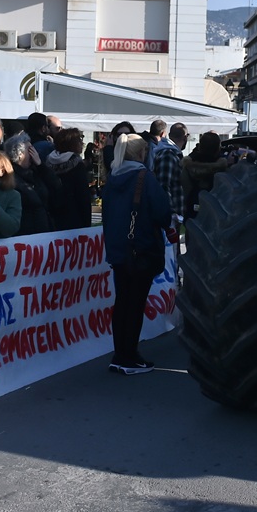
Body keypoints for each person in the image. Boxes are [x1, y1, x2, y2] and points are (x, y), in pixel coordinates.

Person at [100, 133, 171, 375]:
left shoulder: (113, 178)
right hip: (141, 249)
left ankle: (120, 353)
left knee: (122, 303)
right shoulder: (144, 177)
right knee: (135, 305)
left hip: (119, 251)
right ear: (142, 153)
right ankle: (129, 356)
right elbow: (163, 213)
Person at [2, 131, 57, 235]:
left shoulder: (34, 172)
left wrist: (41, 165)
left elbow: (55, 185)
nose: (34, 153)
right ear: (20, 154)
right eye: (30, 150)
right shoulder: (11, 178)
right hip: (26, 234)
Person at [47, 127, 92, 231]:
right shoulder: (77, 164)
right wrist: (86, 224)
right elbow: (83, 196)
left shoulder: (48, 161)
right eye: (79, 140)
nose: (82, 143)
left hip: (54, 217)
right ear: (72, 144)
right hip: (75, 217)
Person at [182, 131, 229, 219]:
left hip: (192, 211)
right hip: (216, 213)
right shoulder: (223, 170)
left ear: (200, 147)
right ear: (218, 148)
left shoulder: (188, 168)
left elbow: (185, 190)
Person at [152, 121, 188, 220]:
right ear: (185, 137)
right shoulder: (168, 154)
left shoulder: (169, 153)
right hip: (171, 217)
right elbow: (163, 185)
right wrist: (172, 214)